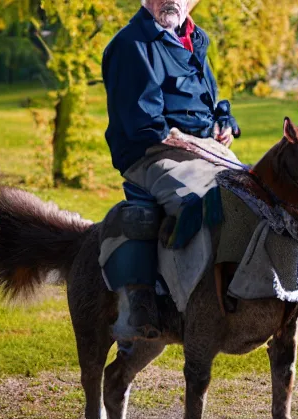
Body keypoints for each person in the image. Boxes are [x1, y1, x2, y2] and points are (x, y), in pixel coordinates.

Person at [102, 0, 241, 338]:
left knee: (255, 194)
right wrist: (189, 139)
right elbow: (143, 124)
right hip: (151, 154)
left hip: (200, 150)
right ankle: (174, 299)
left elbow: (209, 100)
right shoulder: (129, 45)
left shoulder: (194, 38)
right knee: (203, 200)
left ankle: (248, 287)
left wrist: (224, 123)